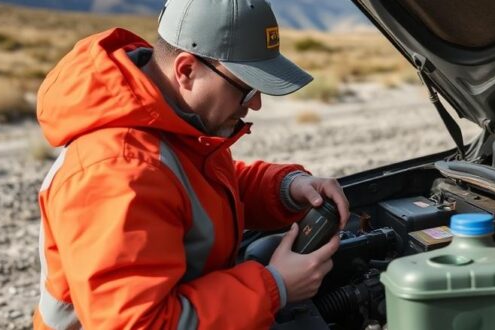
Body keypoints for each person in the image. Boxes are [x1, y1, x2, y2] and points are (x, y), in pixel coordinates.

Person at [32, 0, 350, 328]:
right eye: (247, 88)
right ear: (186, 70)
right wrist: (274, 287)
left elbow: (200, 189)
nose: (255, 104)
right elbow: (140, 324)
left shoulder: (171, 121)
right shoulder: (117, 172)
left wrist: (286, 188)